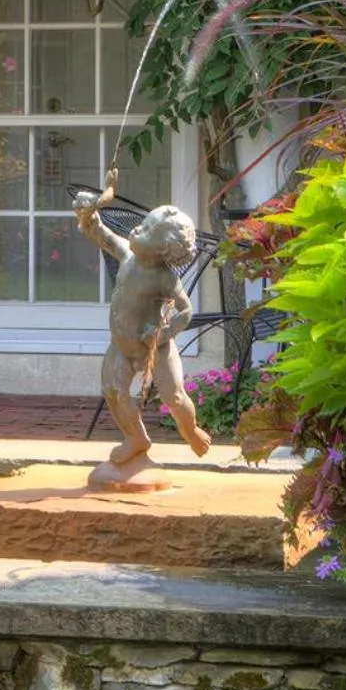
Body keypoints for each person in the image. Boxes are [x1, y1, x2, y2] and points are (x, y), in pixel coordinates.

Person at [72, 183, 212, 485]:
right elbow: (101, 235)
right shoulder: (127, 255)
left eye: (147, 231)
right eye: (143, 224)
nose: (136, 230)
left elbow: (186, 311)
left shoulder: (164, 278)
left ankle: (191, 429)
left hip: (154, 350)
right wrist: (88, 216)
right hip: (121, 347)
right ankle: (136, 440)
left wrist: (163, 334)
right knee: (113, 391)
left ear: (163, 250)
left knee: (174, 397)